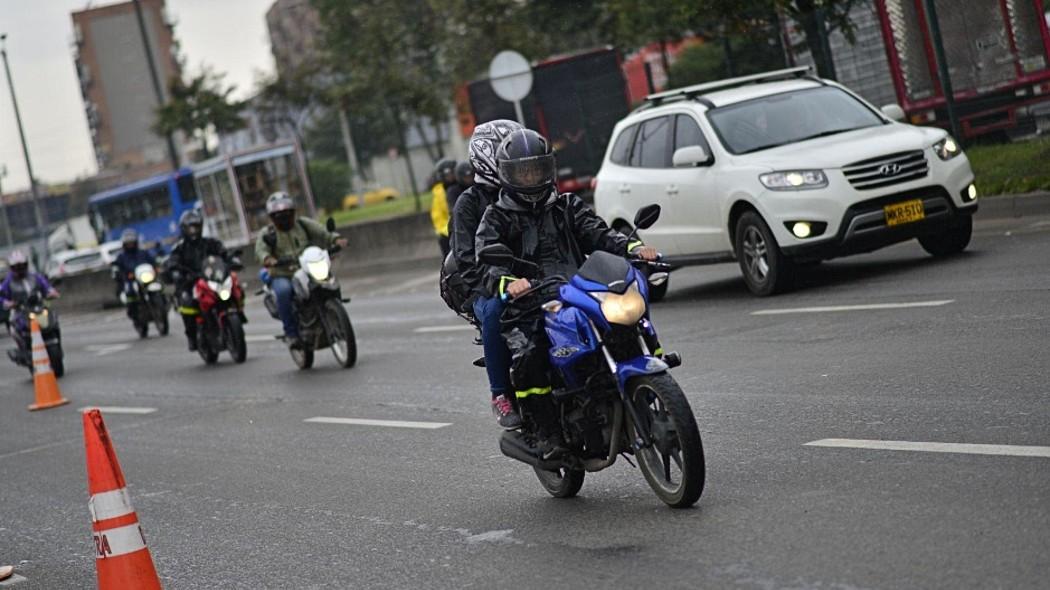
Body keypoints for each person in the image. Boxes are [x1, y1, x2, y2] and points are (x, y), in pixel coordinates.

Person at [475, 129, 658, 453]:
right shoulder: (497, 216)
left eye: (537, 169)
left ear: (549, 169)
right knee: (531, 353)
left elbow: (599, 235)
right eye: (523, 171)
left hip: (577, 289)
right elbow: (488, 260)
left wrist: (632, 246)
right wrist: (507, 281)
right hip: (530, 299)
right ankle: (547, 434)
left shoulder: (567, 205)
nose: (532, 177)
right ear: (508, 174)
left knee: (626, 320)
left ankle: (649, 370)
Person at [448, 119, 524, 429]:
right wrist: (499, 283)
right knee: (495, 311)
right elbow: (467, 261)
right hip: (485, 288)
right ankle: (500, 393)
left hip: (533, 280)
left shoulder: (532, 190)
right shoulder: (469, 203)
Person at [255, 192, 347, 347]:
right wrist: (267, 259)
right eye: (279, 215)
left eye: (287, 213)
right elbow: (260, 249)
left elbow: (322, 232)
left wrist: (336, 239)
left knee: (327, 278)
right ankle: (291, 333)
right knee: (284, 291)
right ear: (272, 217)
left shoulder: (303, 224)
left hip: (306, 268)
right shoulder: (268, 233)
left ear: (293, 212)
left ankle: (336, 310)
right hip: (282, 274)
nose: (284, 217)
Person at [165, 209, 229, 351]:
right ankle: (192, 335)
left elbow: (223, 253)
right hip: (190, 283)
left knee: (230, 290)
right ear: (184, 229)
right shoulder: (180, 248)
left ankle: (233, 316)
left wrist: (231, 258)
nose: (193, 230)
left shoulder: (210, 243)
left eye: (196, 226)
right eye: (190, 227)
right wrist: (175, 271)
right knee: (186, 303)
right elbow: (171, 262)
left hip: (211, 279)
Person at [1, 250, 59, 363]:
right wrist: (8, 303)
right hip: (19, 310)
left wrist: (52, 292)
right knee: (13, 325)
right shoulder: (8, 282)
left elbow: (46, 287)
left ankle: (55, 340)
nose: (20, 270)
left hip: (38, 307)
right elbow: (2, 296)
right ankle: (22, 350)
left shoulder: (35, 277)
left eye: (22, 266)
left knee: (53, 319)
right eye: (17, 267)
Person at [112, 229, 157, 319]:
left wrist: (156, 266)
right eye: (128, 243)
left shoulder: (143, 253)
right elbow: (117, 267)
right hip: (131, 279)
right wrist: (119, 273)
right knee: (129, 292)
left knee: (158, 285)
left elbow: (152, 261)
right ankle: (133, 311)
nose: (130, 245)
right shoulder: (121, 256)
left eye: (132, 243)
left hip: (145, 277)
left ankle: (161, 303)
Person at [430, 158, 456, 257]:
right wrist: (448, 230)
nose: (450, 177)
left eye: (451, 173)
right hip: (449, 231)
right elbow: (438, 217)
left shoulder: (463, 187)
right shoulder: (438, 192)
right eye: (447, 175)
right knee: (443, 242)